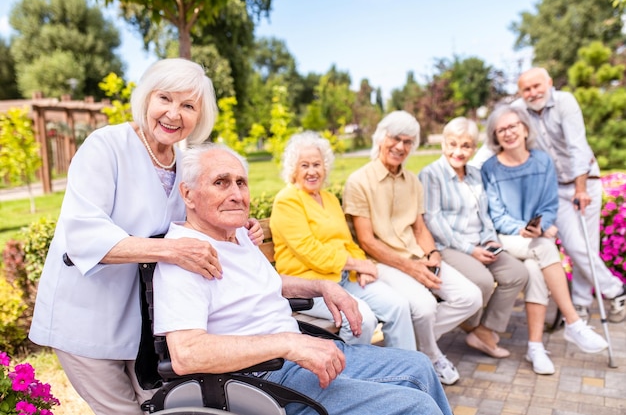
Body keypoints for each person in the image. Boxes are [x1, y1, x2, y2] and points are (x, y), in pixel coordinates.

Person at [28, 58, 263, 415]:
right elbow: (82, 236)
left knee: (162, 408)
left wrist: (239, 226)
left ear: (200, 116)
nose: (173, 114)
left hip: (145, 329)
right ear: (146, 99)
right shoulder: (106, 146)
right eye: (164, 99)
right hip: (87, 315)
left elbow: (199, 222)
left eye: (188, 105)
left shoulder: (184, 165)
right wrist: (171, 251)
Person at [152, 143, 454, 415]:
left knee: (420, 367)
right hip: (260, 379)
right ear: (188, 194)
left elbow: (268, 284)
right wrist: (286, 343)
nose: (236, 194)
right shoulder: (185, 255)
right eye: (221, 182)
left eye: (241, 182)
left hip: (296, 356)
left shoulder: (237, 235)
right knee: (416, 406)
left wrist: (322, 286)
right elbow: (186, 354)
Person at [342, 110, 482, 385]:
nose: (400, 147)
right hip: (381, 263)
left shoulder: (413, 181)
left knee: (471, 297)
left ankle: (414, 345)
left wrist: (432, 254)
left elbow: (419, 228)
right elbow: (367, 241)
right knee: (426, 307)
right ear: (381, 138)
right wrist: (411, 268)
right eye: (395, 138)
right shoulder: (359, 181)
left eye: (407, 142)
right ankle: (429, 355)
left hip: (417, 256)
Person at [481, 104, 609, 375]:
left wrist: (542, 226)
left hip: (534, 241)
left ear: (525, 129)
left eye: (513, 126)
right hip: (506, 238)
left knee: (535, 269)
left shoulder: (542, 161)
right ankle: (573, 322)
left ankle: (535, 347)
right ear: (495, 136)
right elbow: (496, 215)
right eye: (501, 129)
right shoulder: (490, 168)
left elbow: (550, 206)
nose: (508, 133)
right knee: (545, 248)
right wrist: (522, 229)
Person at [270, 131, 416, 349]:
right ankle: (353, 376)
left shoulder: (328, 198)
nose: (312, 171)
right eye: (305, 165)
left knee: (398, 305)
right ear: (293, 169)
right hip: (311, 286)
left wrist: (363, 268)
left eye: (317, 165)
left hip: (345, 278)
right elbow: (311, 252)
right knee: (363, 318)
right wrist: (358, 263)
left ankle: (406, 371)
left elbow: (347, 243)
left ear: (325, 167)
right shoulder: (287, 201)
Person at [512, 67, 625, 323]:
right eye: (526, 89)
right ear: (520, 92)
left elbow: (578, 147)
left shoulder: (565, 102)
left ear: (549, 83)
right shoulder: (519, 110)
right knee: (575, 245)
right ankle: (617, 290)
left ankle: (582, 304)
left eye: (537, 86)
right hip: (555, 188)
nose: (533, 93)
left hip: (585, 181)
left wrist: (581, 188)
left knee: (587, 246)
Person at [419, 117, 528, 359]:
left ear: (474, 148)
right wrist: (471, 249)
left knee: (517, 274)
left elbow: (484, 214)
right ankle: (473, 326)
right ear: (444, 144)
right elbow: (433, 220)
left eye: (466, 145)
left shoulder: (476, 175)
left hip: (480, 243)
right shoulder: (431, 174)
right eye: (453, 144)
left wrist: (490, 240)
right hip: (448, 246)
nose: (458, 151)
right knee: (484, 281)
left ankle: (484, 331)